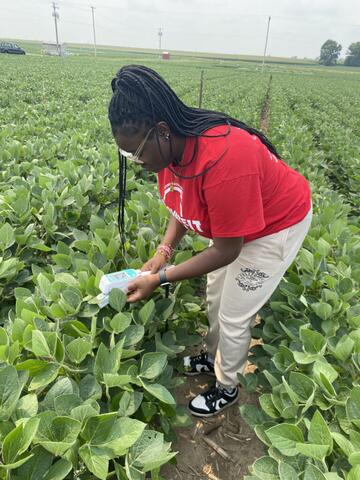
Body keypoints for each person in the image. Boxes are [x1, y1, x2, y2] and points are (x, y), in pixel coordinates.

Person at [108, 64, 312, 418]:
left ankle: (227, 386)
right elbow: (182, 204)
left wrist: (160, 278)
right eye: (128, 156)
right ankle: (212, 354)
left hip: (275, 226)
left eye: (136, 153)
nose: (136, 162)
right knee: (216, 295)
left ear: (161, 131)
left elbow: (227, 249)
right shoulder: (172, 151)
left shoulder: (225, 160)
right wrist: (163, 252)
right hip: (233, 227)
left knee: (235, 315)